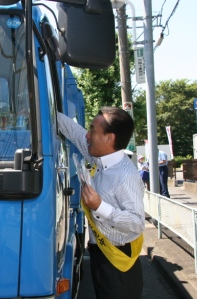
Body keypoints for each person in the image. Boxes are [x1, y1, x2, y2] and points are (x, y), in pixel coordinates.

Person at [57, 107, 145, 299]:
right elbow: (74, 131)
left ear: (109, 138)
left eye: (93, 131)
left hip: (118, 262)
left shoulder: (125, 176)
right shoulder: (99, 158)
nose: (87, 135)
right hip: (100, 254)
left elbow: (137, 223)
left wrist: (99, 207)